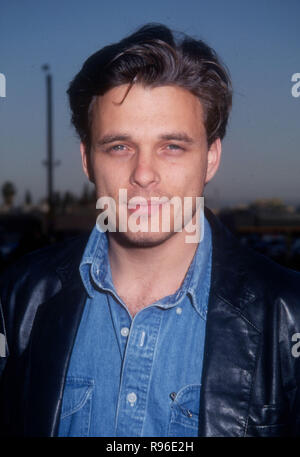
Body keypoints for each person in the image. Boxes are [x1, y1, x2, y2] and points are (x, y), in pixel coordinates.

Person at [0, 23, 300, 438]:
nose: (143, 174)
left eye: (172, 147)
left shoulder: (287, 314)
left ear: (211, 158)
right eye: (119, 146)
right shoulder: (19, 298)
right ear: (87, 160)